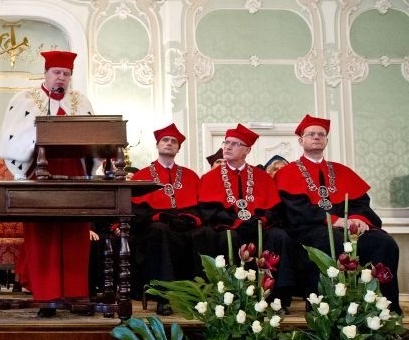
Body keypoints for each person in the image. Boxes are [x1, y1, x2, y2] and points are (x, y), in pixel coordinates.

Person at [0, 50, 94, 316]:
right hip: (38, 174)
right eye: (57, 72)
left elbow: (94, 133)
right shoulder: (26, 99)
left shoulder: (80, 101)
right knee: (43, 237)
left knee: (75, 236)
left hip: (73, 174)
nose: (61, 78)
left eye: (66, 74)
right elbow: (11, 137)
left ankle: (76, 295)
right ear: (46, 73)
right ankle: (47, 298)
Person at [275, 114, 401, 313]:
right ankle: (324, 307)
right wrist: (335, 220)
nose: (316, 137)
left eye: (321, 134)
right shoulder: (288, 172)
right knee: (329, 239)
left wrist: (358, 220)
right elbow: (296, 210)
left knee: (383, 242)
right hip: (309, 229)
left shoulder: (342, 170)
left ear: (326, 140)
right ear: (301, 140)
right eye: (311, 134)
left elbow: (361, 203)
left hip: (348, 228)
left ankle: (384, 307)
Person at [198, 123, 298, 310]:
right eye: (226, 143)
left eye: (234, 144)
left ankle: (278, 297)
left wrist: (260, 220)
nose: (227, 147)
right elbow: (208, 211)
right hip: (228, 228)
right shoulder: (209, 177)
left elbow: (274, 209)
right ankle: (232, 296)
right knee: (228, 238)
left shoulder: (262, 176)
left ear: (247, 149)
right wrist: (235, 222)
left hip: (259, 227)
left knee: (280, 236)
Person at [129, 123, 217, 315]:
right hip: (157, 226)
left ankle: (201, 296)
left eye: (173, 141)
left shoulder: (191, 175)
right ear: (158, 145)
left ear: (178, 148)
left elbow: (201, 207)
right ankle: (163, 297)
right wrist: (160, 216)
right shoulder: (142, 175)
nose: (169, 144)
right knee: (160, 231)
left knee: (207, 233)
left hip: (185, 225)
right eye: (165, 140)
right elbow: (137, 213)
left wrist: (192, 219)